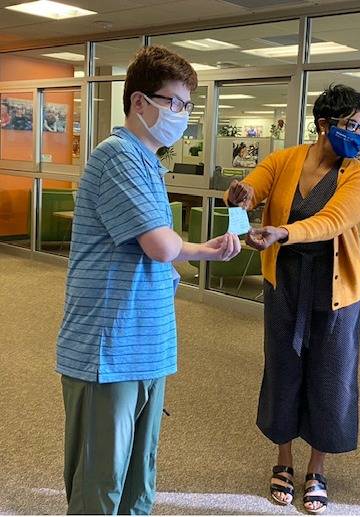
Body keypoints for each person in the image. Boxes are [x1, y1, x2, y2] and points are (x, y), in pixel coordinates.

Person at [56, 45, 240, 515]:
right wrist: (189, 248)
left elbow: (159, 245)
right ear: (140, 101)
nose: (181, 115)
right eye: (173, 102)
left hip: (147, 341)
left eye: (186, 106)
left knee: (141, 472)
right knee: (102, 478)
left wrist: (207, 249)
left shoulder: (149, 163)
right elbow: (159, 245)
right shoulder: (117, 155)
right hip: (108, 346)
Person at [225, 84, 360, 514]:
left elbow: (335, 220)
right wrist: (243, 196)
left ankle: (318, 469)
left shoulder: (359, 174)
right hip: (285, 282)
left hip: (336, 289)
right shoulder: (285, 159)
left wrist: (284, 232)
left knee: (330, 377)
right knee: (283, 369)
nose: (358, 135)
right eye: (351, 125)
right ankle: (284, 462)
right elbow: (254, 186)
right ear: (323, 125)